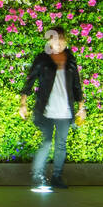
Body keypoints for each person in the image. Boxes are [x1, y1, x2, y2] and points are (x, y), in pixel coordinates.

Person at [19, 26, 86, 189]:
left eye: (61, 40)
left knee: (61, 144)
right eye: (55, 40)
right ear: (49, 41)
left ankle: (57, 176)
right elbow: (30, 80)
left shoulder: (70, 58)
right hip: (46, 109)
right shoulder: (42, 58)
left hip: (65, 110)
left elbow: (76, 84)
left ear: (65, 40)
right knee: (47, 142)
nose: (59, 43)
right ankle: (37, 175)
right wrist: (23, 103)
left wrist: (81, 107)